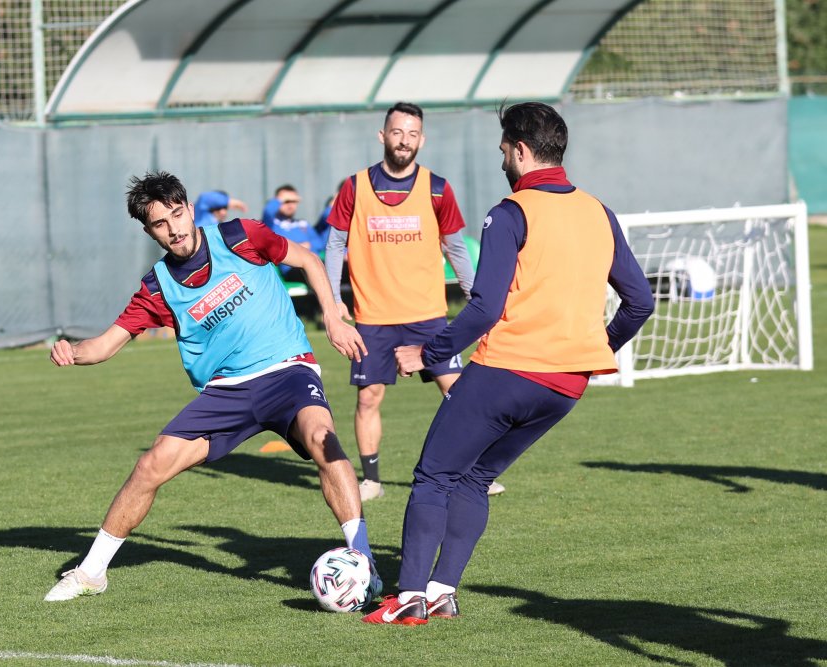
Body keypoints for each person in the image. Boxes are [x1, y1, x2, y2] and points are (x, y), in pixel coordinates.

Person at [362, 102, 655, 625]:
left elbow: (485, 307)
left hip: (507, 371)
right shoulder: (599, 211)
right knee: (474, 480)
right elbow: (641, 302)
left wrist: (428, 353)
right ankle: (443, 592)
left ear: (520, 150)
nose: (501, 159)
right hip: (565, 386)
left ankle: (408, 599)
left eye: (503, 149)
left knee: (434, 477)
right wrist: (594, 350)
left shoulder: (511, 210)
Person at [44, 171, 381, 602]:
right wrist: (73, 351)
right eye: (160, 225)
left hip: (287, 371)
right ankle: (91, 573)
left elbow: (308, 260)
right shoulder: (158, 286)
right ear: (148, 231)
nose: (174, 229)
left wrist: (333, 318)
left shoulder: (242, 236)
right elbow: (106, 344)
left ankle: (364, 563)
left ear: (188, 208)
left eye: (177, 215)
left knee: (322, 438)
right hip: (227, 393)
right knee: (151, 464)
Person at [324, 101, 481, 501]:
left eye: (412, 134)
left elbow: (455, 248)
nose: (404, 141)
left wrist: (476, 295)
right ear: (382, 136)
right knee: (368, 397)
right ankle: (372, 480)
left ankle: (477, 471)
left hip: (428, 314)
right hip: (373, 317)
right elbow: (336, 244)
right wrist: (332, 299)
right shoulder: (355, 186)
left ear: (422, 140)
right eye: (397, 132)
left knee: (458, 392)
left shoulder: (437, 188)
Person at [261, 184, 326, 282]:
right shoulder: (270, 224)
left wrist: (309, 245)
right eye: (286, 201)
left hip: (315, 263)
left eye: (294, 201)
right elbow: (268, 211)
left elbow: (319, 243)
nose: (290, 205)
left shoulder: (302, 224)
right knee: (313, 270)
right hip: (293, 268)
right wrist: (297, 248)